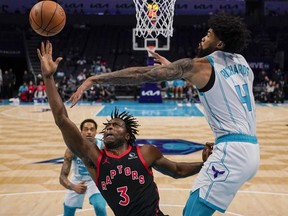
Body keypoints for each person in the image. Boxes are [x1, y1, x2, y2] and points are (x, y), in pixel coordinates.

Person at [69, 13, 260, 216]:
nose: (203, 38)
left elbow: (141, 75)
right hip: (252, 151)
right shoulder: (243, 64)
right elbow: (217, 84)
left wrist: (95, 79)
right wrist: (175, 69)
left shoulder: (200, 65)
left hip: (232, 152)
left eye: (209, 34)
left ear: (220, 43)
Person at [37, 41, 213, 216]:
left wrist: (203, 165)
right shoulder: (94, 157)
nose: (109, 128)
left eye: (115, 125)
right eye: (107, 126)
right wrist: (48, 78)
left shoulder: (146, 153)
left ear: (128, 135)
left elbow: (177, 170)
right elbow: (61, 119)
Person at [59, 119, 107, 216]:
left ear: (95, 132)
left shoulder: (102, 146)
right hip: (77, 180)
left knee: (100, 206)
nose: (89, 132)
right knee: (68, 212)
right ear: (81, 132)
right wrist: (73, 187)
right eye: (86, 129)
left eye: (92, 129)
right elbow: (62, 177)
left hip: (95, 180)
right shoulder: (72, 148)